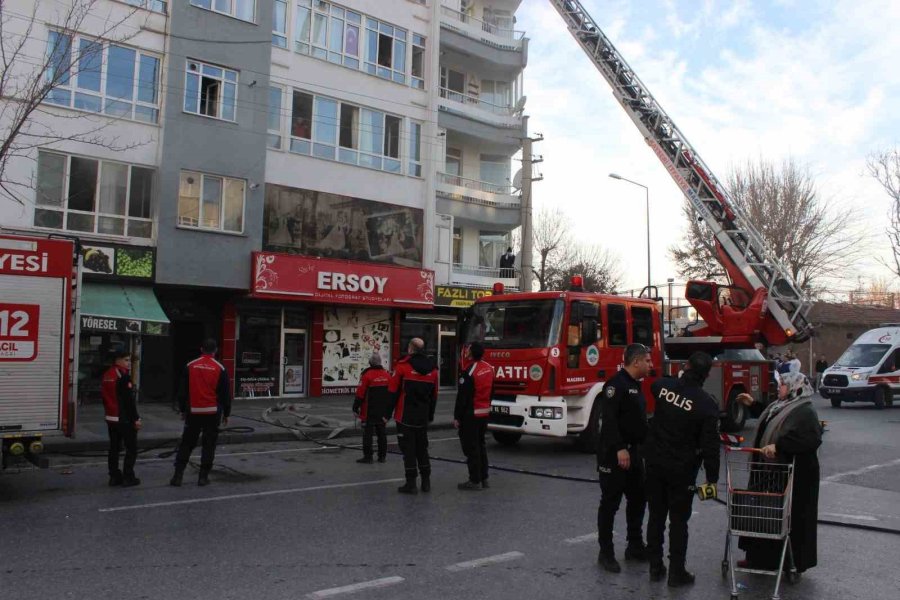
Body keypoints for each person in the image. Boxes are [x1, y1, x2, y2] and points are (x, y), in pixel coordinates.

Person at [643, 351, 720, 587]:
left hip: (655, 464)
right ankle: (677, 572)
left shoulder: (663, 387)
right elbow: (710, 446)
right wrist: (712, 479)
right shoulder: (707, 405)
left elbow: (656, 384)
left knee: (655, 516)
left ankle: (655, 567)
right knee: (678, 522)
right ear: (707, 375)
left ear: (686, 366)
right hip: (682, 470)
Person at [736, 371, 823, 575]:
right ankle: (760, 558)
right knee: (764, 514)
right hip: (770, 472)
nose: (779, 387)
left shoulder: (805, 410)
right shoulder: (781, 405)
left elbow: (811, 440)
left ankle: (790, 562)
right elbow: (770, 422)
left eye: (783, 384)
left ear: (796, 387)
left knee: (790, 519)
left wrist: (780, 446)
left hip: (795, 474)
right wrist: (754, 405)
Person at [596, 343, 652, 572]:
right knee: (610, 503)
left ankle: (635, 545)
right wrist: (619, 448)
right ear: (636, 361)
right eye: (647, 361)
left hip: (635, 454)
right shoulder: (615, 385)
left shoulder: (635, 386)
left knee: (638, 500)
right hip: (614, 455)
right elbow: (608, 420)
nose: (651, 364)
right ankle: (606, 552)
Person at [170, 338, 232, 487]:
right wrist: (227, 413)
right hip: (212, 412)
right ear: (215, 350)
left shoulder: (190, 366)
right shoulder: (220, 368)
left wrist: (183, 409)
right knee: (209, 445)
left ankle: (178, 476)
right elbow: (225, 394)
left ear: (201, 349)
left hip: (194, 411)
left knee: (187, 443)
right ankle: (203, 477)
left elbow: (182, 392)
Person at [389, 338, 439, 494]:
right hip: (422, 417)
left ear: (410, 349)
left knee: (408, 451)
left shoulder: (402, 366)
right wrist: (430, 416)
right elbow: (434, 396)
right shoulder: (433, 370)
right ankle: (426, 482)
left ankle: (411, 484)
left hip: (405, 416)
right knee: (422, 449)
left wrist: (385, 414)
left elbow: (392, 391)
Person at [453, 342, 494, 491]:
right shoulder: (489, 369)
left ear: (471, 353)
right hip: (484, 412)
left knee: (471, 448)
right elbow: (492, 391)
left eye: (468, 350)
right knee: (481, 445)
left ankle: (474, 480)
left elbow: (462, 397)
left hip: (471, 414)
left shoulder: (469, 371)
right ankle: (484, 478)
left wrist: (457, 417)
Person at [101, 350, 142, 487]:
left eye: (129, 360)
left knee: (114, 448)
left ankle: (114, 476)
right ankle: (128, 476)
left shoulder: (107, 375)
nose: (129, 363)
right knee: (131, 448)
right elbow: (128, 402)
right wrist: (136, 419)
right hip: (123, 418)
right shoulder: (123, 376)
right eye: (126, 360)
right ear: (117, 360)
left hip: (111, 417)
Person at [353, 354, 391, 464]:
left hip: (369, 411)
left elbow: (360, 393)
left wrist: (355, 407)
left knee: (367, 434)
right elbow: (392, 393)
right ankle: (382, 456)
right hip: (383, 411)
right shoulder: (387, 375)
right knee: (382, 434)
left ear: (370, 363)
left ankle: (368, 457)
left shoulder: (366, 375)